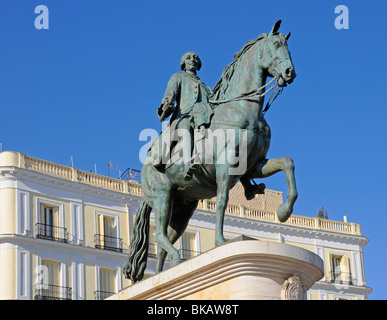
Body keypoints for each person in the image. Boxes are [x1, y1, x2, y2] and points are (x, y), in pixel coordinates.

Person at [156, 51, 214, 180]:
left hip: (205, 118)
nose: (192, 59)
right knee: (186, 130)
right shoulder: (178, 77)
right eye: (188, 58)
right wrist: (166, 106)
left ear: (199, 63)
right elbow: (169, 95)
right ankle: (188, 163)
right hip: (185, 117)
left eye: (195, 58)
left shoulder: (206, 87)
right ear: (183, 63)